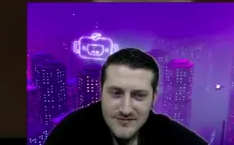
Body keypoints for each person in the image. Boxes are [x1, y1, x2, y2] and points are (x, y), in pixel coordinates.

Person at [44, 48, 204, 145]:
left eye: (139, 96)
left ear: (154, 98)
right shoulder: (69, 134)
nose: (126, 109)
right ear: (101, 91)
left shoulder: (174, 138)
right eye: (116, 93)